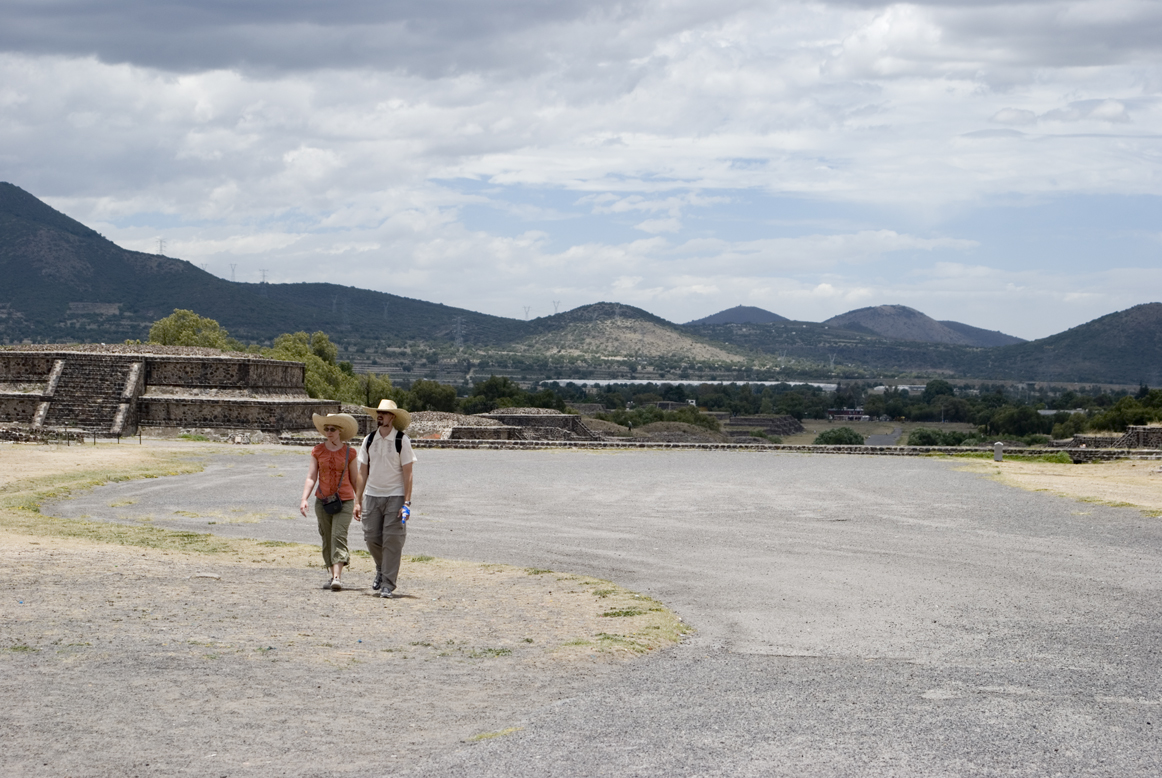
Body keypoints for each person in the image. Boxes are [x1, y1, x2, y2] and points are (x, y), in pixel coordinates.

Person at [355, 399, 416, 599]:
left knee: (392, 540)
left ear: (393, 417)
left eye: (385, 413)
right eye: (378, 413)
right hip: (373, 494)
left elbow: (408, 473)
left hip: (395, 495)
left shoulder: (401, 441)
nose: (380, 416)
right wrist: (358, 500)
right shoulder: (369, 440)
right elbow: (362, 471)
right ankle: (381, 568)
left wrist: (407, 503)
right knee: (371, 537)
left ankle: (388, 584)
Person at [300, 412, 362, 591]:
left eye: (332, 429)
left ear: (340, 431)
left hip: (345, 500)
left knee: (338, 536)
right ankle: (331, 574)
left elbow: (354, 479)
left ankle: (337, 577)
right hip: (323, 501)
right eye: (326, 429)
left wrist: (358, 502)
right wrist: (304, 498)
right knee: (327, 537)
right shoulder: (317, 450)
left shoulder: (349, 452)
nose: (329, 432)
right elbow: (311, 477)